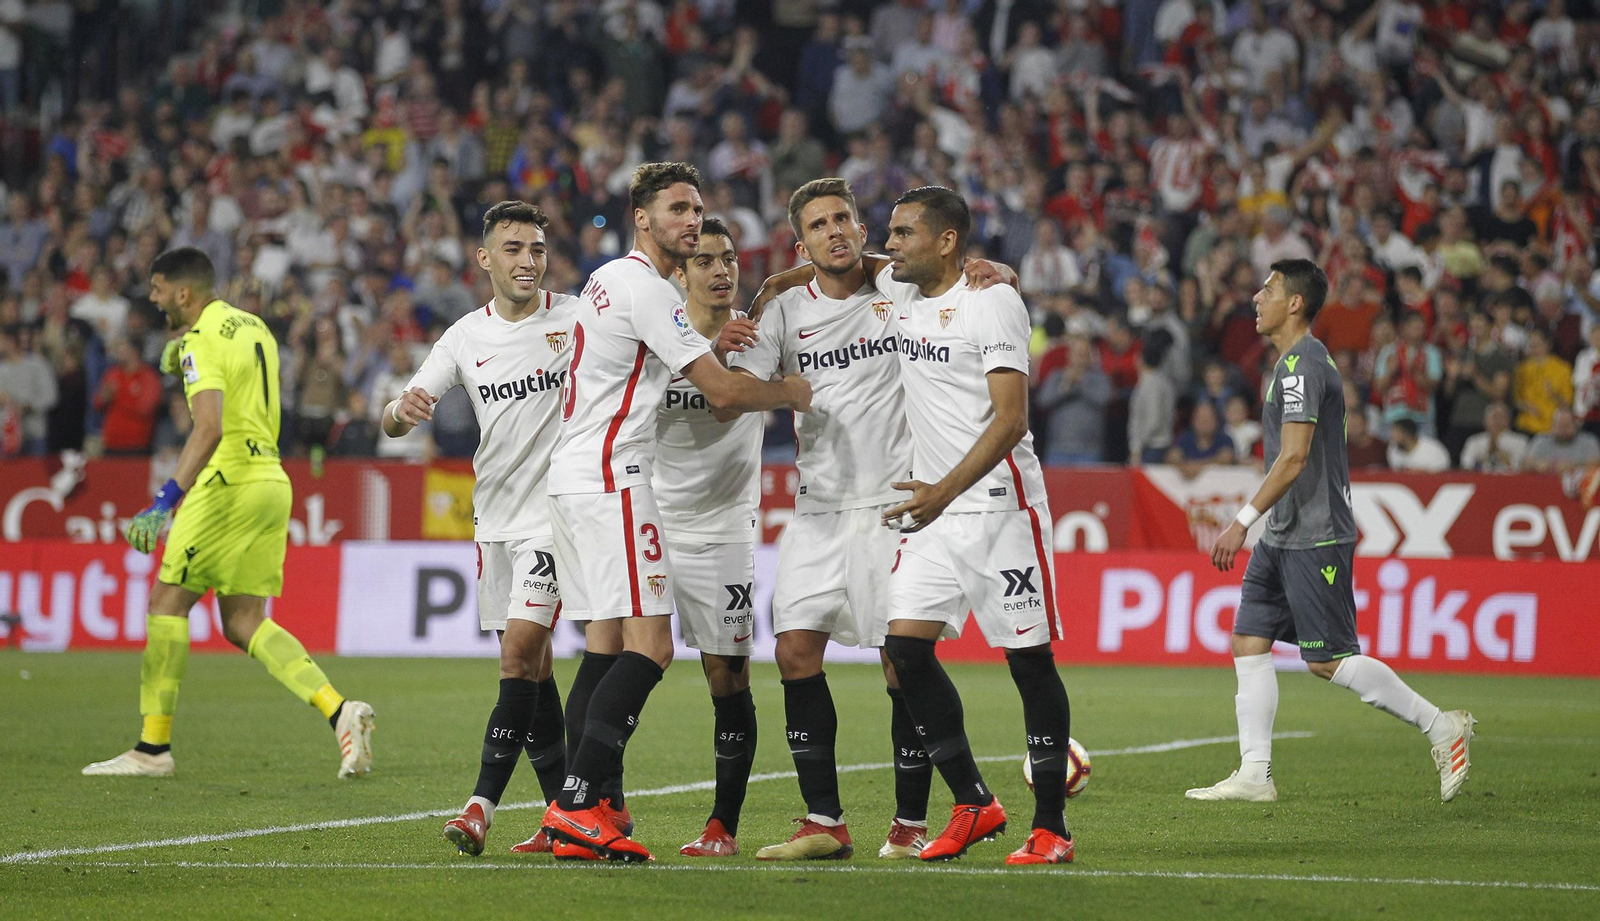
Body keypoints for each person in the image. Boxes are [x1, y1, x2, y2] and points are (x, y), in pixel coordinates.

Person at [736, 178, 1022, 862]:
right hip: (820, 508)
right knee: (794, 650)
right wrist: (771, 376)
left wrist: (994, 269)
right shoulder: (780, 303)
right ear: (799, 239)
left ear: (862, 228)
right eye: (816, 224)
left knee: (901, 663)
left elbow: (959, 284)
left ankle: (910, 823)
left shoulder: (900, 287)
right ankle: (824, 822)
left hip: (898, 503)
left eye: (843, 219)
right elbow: (734, 390)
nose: (834, 231)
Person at [538, 163, 811, 863]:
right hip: (621, 486)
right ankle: (577, 804)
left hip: (634, 499)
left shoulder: (618, 285)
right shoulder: (651, 294)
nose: (694, 224)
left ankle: (589, 809)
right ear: (643, 218)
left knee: (628, 654)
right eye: (680, 211)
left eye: (700, 211)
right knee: (647, 647)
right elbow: (721, 394)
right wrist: (791, 390)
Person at [82, 247, 374, 779]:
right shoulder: (255, 326)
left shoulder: (198, 339)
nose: (152, 299)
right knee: (243, 623)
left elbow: (209, 425)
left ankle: (152, 750)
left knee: (166, 601)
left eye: (158, 289)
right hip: (270, 480)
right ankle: (340, 711)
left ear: (183, 293)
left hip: (228, 479)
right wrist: (181, 356)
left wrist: (164, 500)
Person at [1190, 259, 1474, 805]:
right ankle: (1255, 772)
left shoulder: (1301, 366)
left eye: (1268, 289)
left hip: (1315, 534)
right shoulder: (1292, 364)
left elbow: (1294, 458)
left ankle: (1441, 726)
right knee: (1249, 642)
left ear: (1295, 303)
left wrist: (1240, 522)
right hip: (1286, 532)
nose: (1256, 296)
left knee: (1327, 660)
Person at [873, 186, 1075, 866]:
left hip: (998, 507)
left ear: (947, 241)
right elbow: (833, 263)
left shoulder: (992, 301)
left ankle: (1051, 828)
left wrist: (941, 491)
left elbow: (1011, 418)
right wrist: (778, 283)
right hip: (934, 510)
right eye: (890, 234)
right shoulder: (900, 288)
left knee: (1028, 660)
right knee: (903, 652)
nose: (890, 243)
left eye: (904, 233)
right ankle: (975, 801)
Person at [382, 201, 575, 857]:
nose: (528, 260)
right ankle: (563, 811)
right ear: (485, 259)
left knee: (518, 651)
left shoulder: (576, 319)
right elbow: (400, 409)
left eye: (537, 248)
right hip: (494, 520)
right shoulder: (464, 335)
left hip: (557, 518)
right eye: (514, 248)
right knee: (537, 667)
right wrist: (399, 412)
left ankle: (479, 805)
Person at [652, 219, 764, 858]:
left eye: (729, 260)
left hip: (723, 531)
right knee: (622, 658)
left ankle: (723, 825)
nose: (720, 271)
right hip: (652, 523)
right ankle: (598, 807)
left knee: (727, 675)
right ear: (681, 272)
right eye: (705, 261)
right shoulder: (657, 331)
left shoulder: (761, 332)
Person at [1521, 407, 1600, 473]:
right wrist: (1537, 464)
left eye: (1567, 425)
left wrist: (1574, 467)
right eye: (1559, 426)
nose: (1563, 430)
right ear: (1552, 426)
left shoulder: (1588, 442)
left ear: (1575, 425)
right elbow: (1523, 463)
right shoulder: (1541, 441)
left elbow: (1596, 464)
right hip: (1544, 486)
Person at [1459, 402, 1528, 473]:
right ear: (1486, 420)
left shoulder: (1520, 441)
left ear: (1509, 420)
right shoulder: (1474, 441)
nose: (1497, 421)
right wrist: (1484, 458)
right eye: (1494, 417)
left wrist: (1506, 460)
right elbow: (1465, 464)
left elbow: (1523, 466)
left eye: (1501, 417)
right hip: (1481, 479)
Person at [1387, 418, 1451, 472]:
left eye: (1396, 433)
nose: (1392, 436)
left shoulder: (1433, 449)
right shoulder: (1392, 449)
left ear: (1407, 435)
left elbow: (1443, 472)